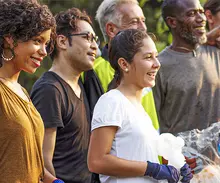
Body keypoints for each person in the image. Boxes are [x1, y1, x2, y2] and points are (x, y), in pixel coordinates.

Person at [87, 29, 193, 183]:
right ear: (124, 64)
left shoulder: (139, 108)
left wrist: (175, 167)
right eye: (148, 57)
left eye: (156, 57)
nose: (157, 64)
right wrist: (152, 169)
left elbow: (137, 157)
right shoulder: (112, 102)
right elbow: (96, 161)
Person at [31, 7, 98, 183]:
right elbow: (42, 162)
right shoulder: (50, 90)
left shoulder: (81, 86)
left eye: (95, 39)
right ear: (62, 41)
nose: (95, 46)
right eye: (86, 38)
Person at [153, 0, 220, 167]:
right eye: (191, 14)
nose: (201, 18)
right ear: (172, 22)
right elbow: (152, 125)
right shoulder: (158, 66)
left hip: (216, 163)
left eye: (200, 12)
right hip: (182, 167)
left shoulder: (215, 52)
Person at [0, 0, 56, 182]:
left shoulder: (22, 91)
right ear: (10, 38)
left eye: (46, 43)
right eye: (37, 41)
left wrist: (53, 180)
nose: (44, 51)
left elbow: (27, 162)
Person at [83, 0, 160, 132]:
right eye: (134, 22)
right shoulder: (94, 71)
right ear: (111, 29)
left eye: (143, 20)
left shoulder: (146, 65)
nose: (143, 28)